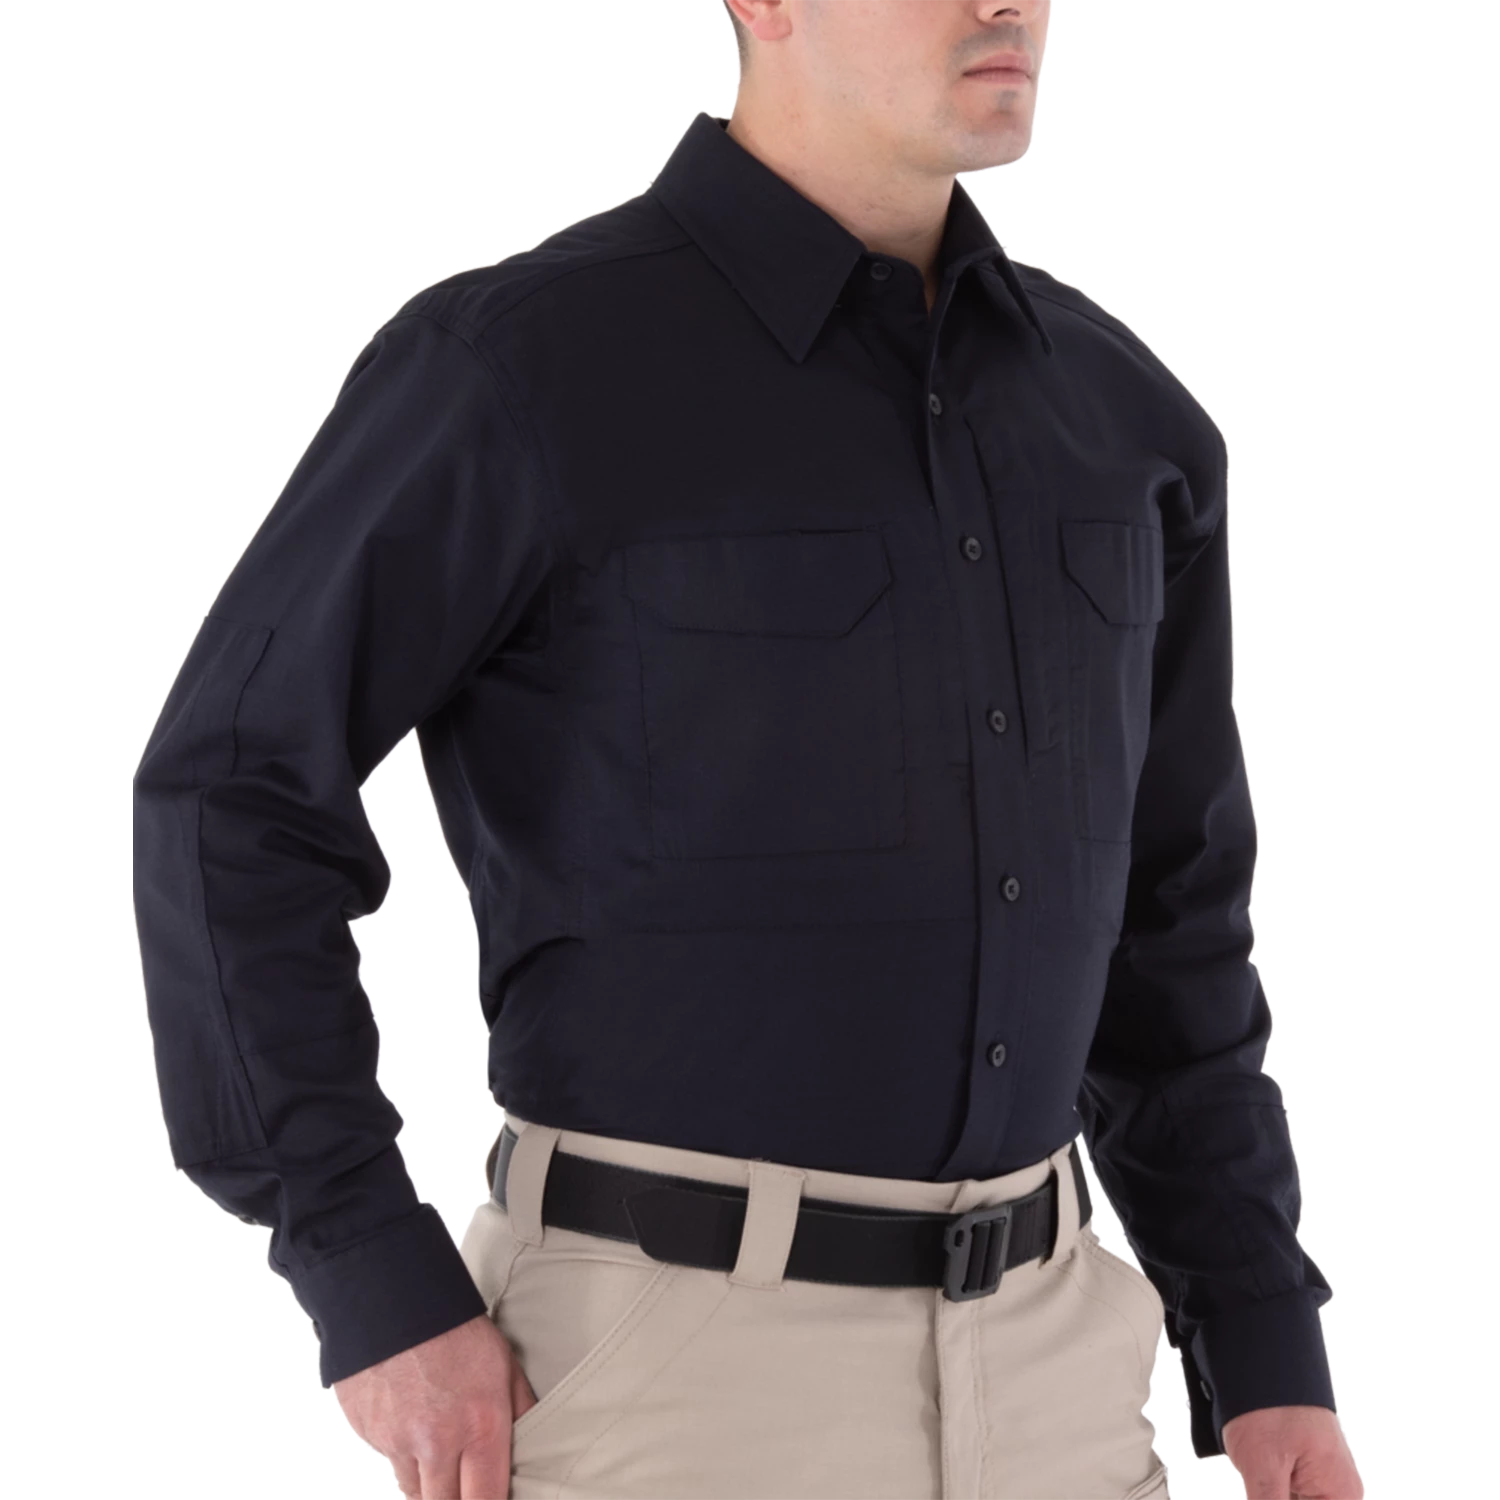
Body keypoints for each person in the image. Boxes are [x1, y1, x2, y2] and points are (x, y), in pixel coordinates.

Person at [131, 2, 1364, 1497]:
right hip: (677, 1379)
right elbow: (232, 797)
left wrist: (1262, 1342)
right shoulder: (520, 368)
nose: (1012, 5)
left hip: (1062, 1378)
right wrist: (369, 1277)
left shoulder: (1126, 418)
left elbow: (1174, 926)